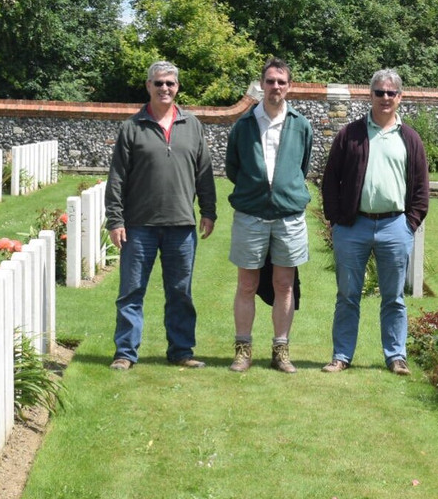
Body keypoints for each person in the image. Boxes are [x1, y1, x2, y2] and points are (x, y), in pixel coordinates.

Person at [104, 60, 217, 370]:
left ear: (177, 87)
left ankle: (181, 351)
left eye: (170, 83)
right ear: (148, 87)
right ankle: (125, 353)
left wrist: (209, 211)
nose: (164, 88)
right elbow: (117, 178)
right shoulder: (131, 127)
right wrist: (115, 219)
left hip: (181, 226)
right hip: (139, 226)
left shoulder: (192, 125)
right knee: (131, 291)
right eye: (159, 83)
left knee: (180, 292)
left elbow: (204, 172)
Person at [321, 69, 429, 375]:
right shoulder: (350, 134)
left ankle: (396, 357)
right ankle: (341, 356)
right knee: (347, 295)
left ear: (400, 97)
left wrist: (410, 223)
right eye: (379, 92)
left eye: (390, 93)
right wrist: (336, 221)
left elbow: (421, 188)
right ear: (370, 95)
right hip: (353, 227)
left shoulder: (409, 138)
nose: (385, 98)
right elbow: (330, 181)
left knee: (393, 297)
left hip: (395, 226)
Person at [225, 58, 313, 373]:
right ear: (262, 84)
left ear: (289, 87)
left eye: (281, 82)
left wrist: (282, 192)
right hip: (251, 214)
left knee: (284, 283)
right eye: (271, 81)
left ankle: (281, 350)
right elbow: (233, 168)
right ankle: (243, 350)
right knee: (247, 284)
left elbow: (301, 166)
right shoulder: (245, 124)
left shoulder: (301, 124)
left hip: (288, 217)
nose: (276, 87)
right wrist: (257, 190)